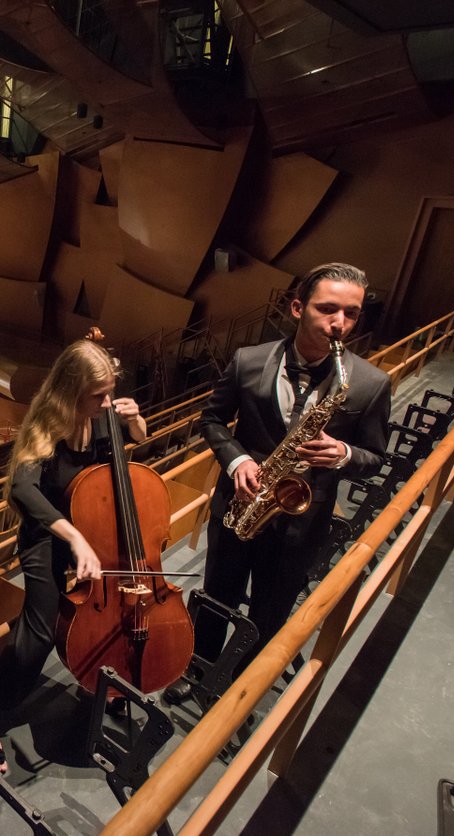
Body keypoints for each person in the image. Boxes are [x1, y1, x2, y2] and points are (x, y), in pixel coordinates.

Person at [166, 263, 391, 704]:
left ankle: (242, 691)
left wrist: (344, 455)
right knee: (217, 595)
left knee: (270, 613)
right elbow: (212, 420)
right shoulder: (248, 361)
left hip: (300, 524)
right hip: (240, 505)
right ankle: (199, 670)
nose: (339, 323)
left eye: (351, 313)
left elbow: (374, 459)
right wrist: (238, 462)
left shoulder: (369, 383)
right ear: (296, 308)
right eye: (327, 309)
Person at [0, 338, 147, 773]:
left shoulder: (105, 415)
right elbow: (22, 489)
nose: (106, 402)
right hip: (49, 534)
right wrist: (74, 538)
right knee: (41, 631)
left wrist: (136, 418)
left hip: (98, 528)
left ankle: (100, 680)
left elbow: (139, 440)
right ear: (71, 391)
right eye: (97, 394)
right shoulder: (46, 426)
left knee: (107, 615)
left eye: (110, 391)